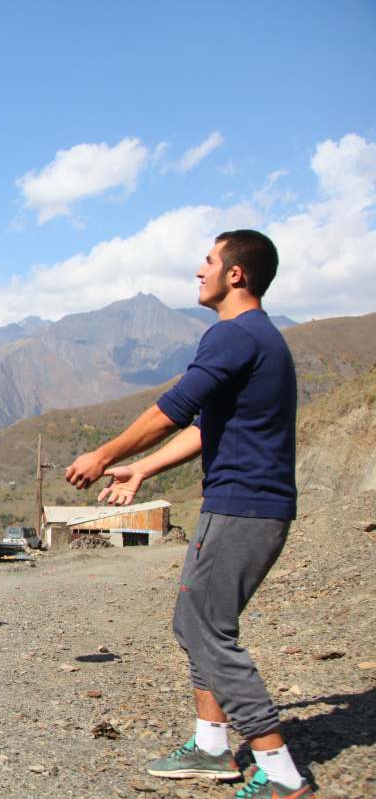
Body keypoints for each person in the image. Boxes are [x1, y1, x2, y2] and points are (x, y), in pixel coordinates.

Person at [65, 230, 310, 799]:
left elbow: (175, 409)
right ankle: (212, 745)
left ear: (236, 275)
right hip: (244, 504)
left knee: (202, 627)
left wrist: (104, 455)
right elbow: (206, 427)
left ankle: (282, 778)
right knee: (200, 623)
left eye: (208, 261)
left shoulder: (233, 335)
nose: (199, 271)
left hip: (244, 506)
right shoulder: (257, 338)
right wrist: (143, 470)